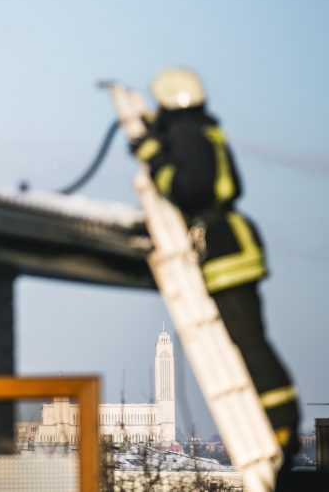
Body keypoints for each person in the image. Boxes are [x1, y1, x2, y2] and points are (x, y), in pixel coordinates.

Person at [129, 67, 300, 475]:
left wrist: (155, 161)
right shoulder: (199, 129)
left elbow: (191, 187)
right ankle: (279, 423)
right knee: (248, 339)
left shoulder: (186, 132)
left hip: (223, 247)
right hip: (227, 241)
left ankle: (281, 426)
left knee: (247, 339)